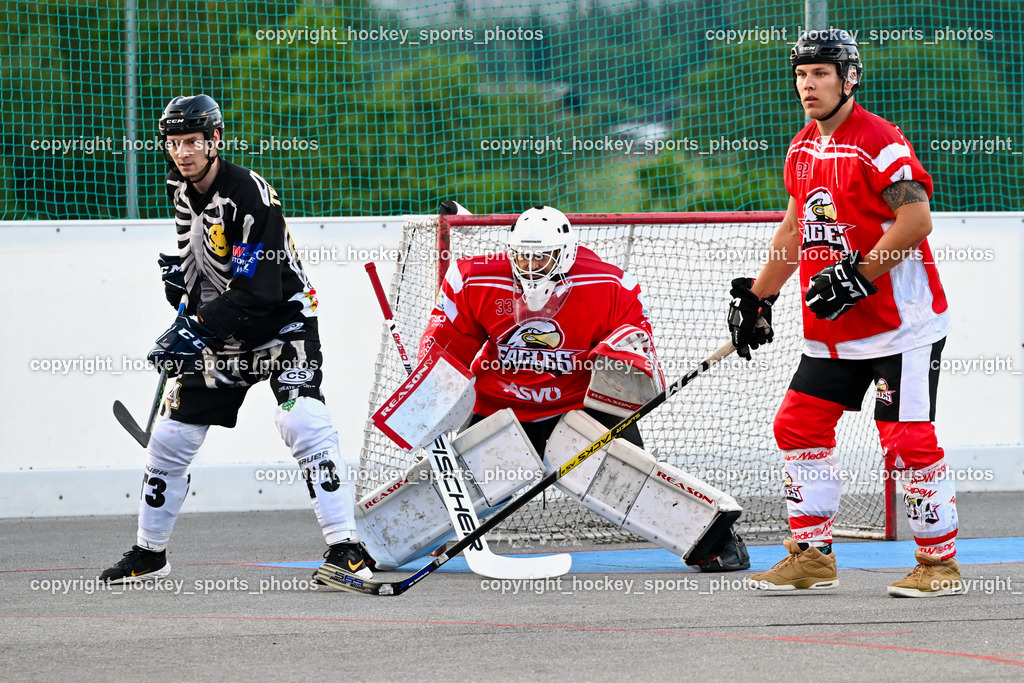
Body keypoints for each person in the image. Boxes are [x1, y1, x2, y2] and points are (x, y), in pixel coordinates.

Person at [100, 94, 370, 584]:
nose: (182, 152)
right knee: (169, 439)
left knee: (303, 420)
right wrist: (182, 285)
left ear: (215, 140)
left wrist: (195, 329)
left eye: (192, 142)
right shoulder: (178, 186)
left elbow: (258, 288)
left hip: (279, 322)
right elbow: (205, 257)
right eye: (173, 143)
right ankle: (150, 553)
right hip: (226, 328)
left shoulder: (248, 194)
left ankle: (345, 549)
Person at [728, 30, 961, 597]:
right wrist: (759, 298)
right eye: (802, 74)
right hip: (834, 333)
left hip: (900, 327)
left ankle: (939, 565)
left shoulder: (879, 143)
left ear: (849, 78)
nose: (809, 84)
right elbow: (793, 230)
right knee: (798, 425)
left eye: (821, 73)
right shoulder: (802, 147)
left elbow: (916, 223)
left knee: (905, 440)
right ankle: (813, 555)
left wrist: (858, 274)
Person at [416, 202, 749, 571]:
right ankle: (375, 543)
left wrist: (619, 355)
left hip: (578, 406)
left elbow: (637, 345)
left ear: (565, 253)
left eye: (541, 258)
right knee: (447, 490)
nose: (529, 267)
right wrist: (432, 391)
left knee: (632, 482)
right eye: (522, 258)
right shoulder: (474, 279)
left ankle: (716, 541)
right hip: (502, 405)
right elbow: (446, 345)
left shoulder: (608, 285)